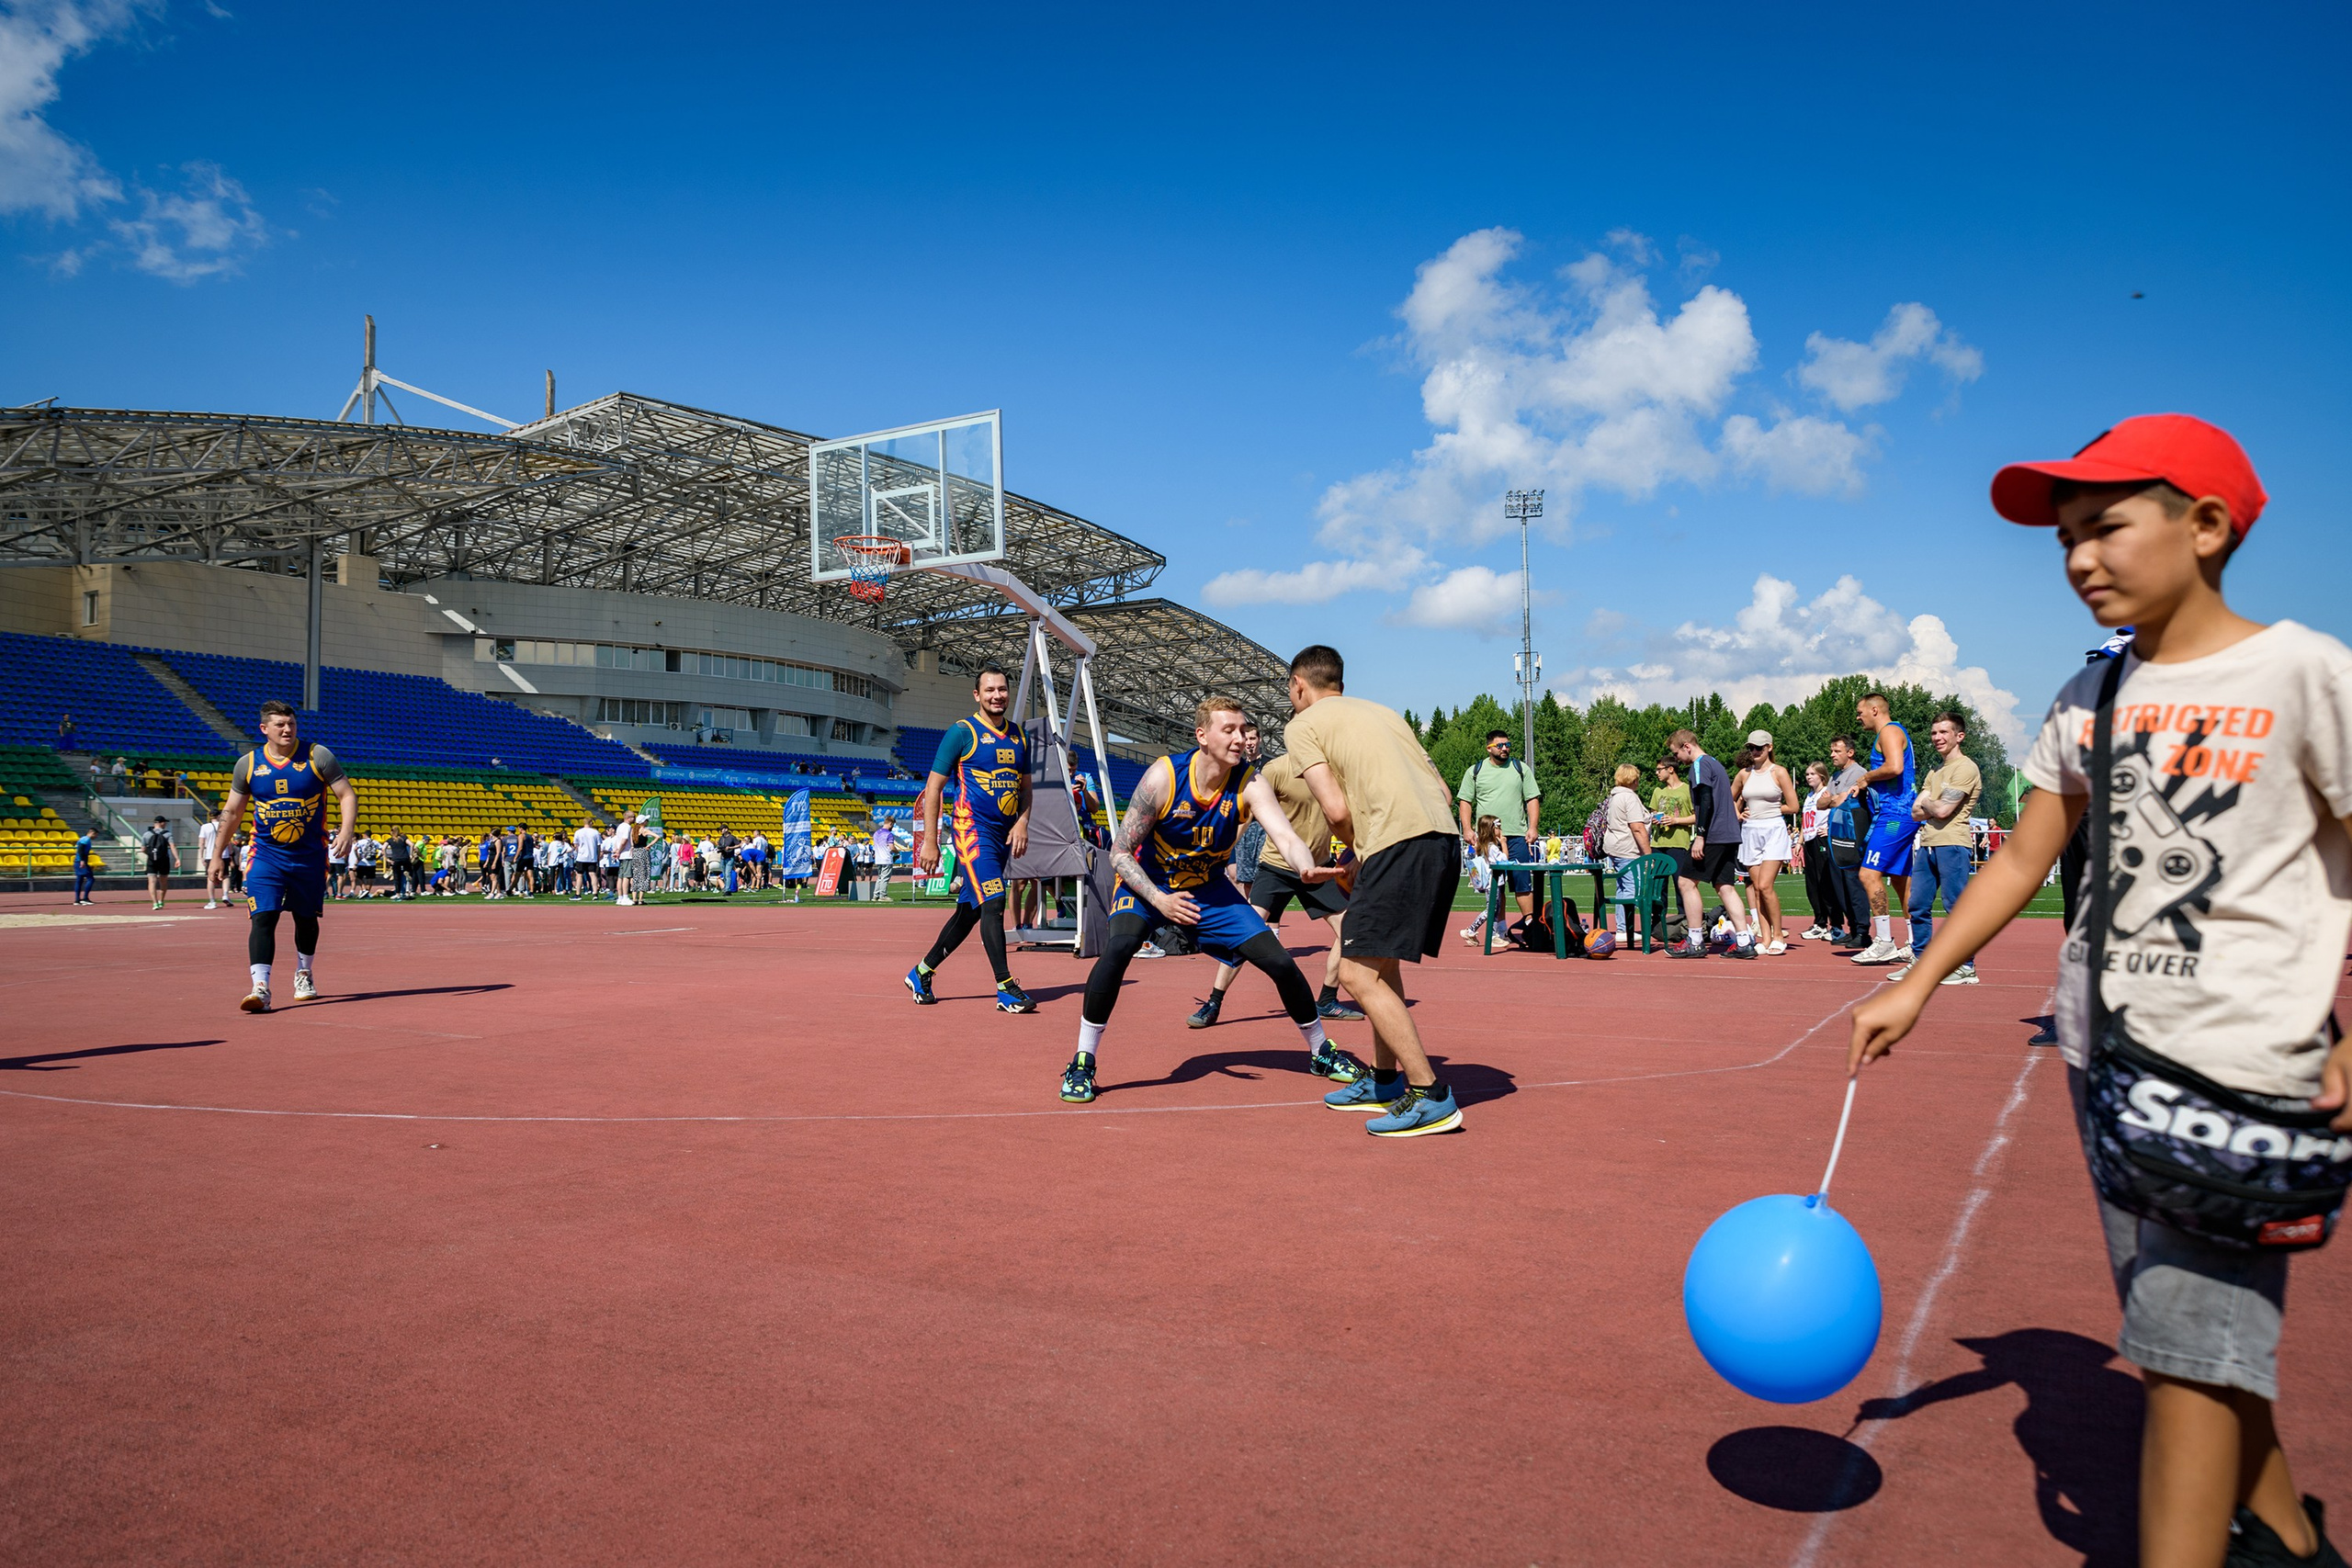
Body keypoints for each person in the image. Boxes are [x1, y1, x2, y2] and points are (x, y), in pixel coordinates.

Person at [1851, 414, 2351, 1568]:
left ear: (2208, 525)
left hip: (2245, 1071)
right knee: (2204, 1336)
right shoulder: (2089, 698)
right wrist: (1919, 981)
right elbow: (2024, 859)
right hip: (2105, 1055)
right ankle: (2281, 1534)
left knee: (2180, 1355)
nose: (2078, 557)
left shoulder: (2302, 676)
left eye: (2107, 528)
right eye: (2066, 536)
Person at [1058, 695, 1366, 1104]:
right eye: (1230, 730)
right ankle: (1082, 1061)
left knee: (1279, 962)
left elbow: (1285, 835)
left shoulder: (1249, 782)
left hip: (1208, 888)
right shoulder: (1164, 777)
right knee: (1118, 951)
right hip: (1148, 883)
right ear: (1202, 736)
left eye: (1243, 730)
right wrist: (1160, 900)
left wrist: (1304, 864)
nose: (1241, 739)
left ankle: (1320, 1052)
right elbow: (1119, 852)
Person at [1280, 645, 1466, 1136]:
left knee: (1354, 974)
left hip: (1398, 843)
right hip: (1441, 838)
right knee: (1380, 964)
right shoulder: (1385, 714)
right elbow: (1444, 793)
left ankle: (1430, 1095)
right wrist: (1363, 855)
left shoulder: (1302, 726)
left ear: (1300, 685)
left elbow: (1336, 810)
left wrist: (1355, 850)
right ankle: (1385, 1081)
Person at [1187, 737, 1369, 1028]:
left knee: (1352, 928)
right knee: (1243, 933)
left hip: (1318, 867)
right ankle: (1214, 1001)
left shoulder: (1335, 773)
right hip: (1277, 866)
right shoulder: (1276, 770)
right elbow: (1245, 813)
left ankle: (1327, 1000)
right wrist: (1222, 851)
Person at [906, 664, 1036, 1014]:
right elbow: (933, 788)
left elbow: (1026, 791)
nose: (998, 696)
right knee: (994, 902)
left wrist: (1022, 823)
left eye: (1002, 690)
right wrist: (930, 842)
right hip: (971, 831)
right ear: (977, 695)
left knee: (970, 911)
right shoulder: (961, 733)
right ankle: (1006, 987)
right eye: (990, 690)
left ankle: (921, 972)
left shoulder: (1020, 736)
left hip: (1002, 836)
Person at [211, 699, 356, 1010]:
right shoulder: (248, 764)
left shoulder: (318, 756)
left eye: (291, 723)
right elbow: (232, 811)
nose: (287, 729)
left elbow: (346, 794)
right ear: (264, 729)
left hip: (309, 855)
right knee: (263, 916)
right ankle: (260, 987)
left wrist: (345, 832)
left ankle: (304, 972)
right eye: (280, 725)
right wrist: (216, 855)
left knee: (305, 919)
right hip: (265, 855)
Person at [1895, 710, 1984, 986]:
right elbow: (1914, 811)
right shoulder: (1936, 771)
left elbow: (1943, 810)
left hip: (1953, 845)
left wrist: (1931, 804)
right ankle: (1920, 960)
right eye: (1934, 733)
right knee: (1917, 904)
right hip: (1928, 845)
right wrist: (1933, 805)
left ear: (1959, 736)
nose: (1937, 738)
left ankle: (1966, 966)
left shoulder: (1966, 768)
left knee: (1955, 906)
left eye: (1943, 732)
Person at [1845, 692, 1919, 965]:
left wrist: (1866, 777)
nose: (1858, 716)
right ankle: (1916, 942)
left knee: (1868, 875)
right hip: (1898, 813)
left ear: (1874, 710)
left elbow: (1895, 767)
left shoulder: (1888, 731)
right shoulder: (1892, 731)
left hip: (1896, 815)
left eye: (1860, 711)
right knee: (1901, 880)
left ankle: (1884, 940)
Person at [1667, 731, 1757, 959]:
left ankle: (1695, 940)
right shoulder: (1715, 763)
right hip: (1729, 834)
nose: (1676, 758)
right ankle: (1744, 941)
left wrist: (1701, 835)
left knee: (1686, 882)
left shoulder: (1699, 765)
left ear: (1687, 747)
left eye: (1676, 753)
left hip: (1714, 834)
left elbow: (1706, 800)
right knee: (1724, 886)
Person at [1455, 729, 1542, 929]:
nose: (1505, 749)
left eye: (1508, 745)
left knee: (1522, 883)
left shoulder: (1520, 768)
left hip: (1518, 835)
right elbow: (1465, 801)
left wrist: (1533, 827)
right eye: (1500, 745)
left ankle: (1532, 926)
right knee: (1496, 887)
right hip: (1488, 839)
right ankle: (1499, 930)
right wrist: (1467, 829)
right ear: (1489, 748)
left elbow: (1532, 798)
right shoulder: (1475, 771)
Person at [1733, 729, 1799, 953]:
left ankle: (1779, 935)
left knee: (1765, 886)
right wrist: (1738, 813)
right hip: (1750, 833)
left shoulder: (1779, 772)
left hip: (1773, 830)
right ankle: (1765, 937)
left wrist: (1771, 808)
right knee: (1757, 890)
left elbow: (1794, 806)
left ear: (1769, 747)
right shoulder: (1744, 774)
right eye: (1751, 748)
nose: (1754, 752)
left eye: (1759, 748)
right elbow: (1729, 798)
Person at [1820, 734, 1872, 946]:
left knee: (1854, 884)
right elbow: (1821, 803)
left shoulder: (1859, 773)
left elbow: (1841, 800)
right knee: (1840, 885)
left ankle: (1863, 931)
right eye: (1831, 751)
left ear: (1850, 752)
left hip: (1853, 836)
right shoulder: (1835, 776)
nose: (1832, 755)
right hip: (1838, 836)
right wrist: (1833, 799)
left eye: (1837, 751)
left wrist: (1833, 799)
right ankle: (1853, 927)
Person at [1600, 762, 1653, 943]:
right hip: (1627, 848)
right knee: (1631, 887)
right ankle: (1625, 929)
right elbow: (1637, 828)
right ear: (1633, 779)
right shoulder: (1629, 798)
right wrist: (1648, 854)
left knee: (1623, 887)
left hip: (1616, 847)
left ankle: (1622, 926)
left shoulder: (1614, 796)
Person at [1647, 757, 1695, 940]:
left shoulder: (1686, 790)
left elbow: (1696, 816)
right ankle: (1657, 925)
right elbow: (1653, 812)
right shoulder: (1658, 791)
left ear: (1671, 770)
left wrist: (1676, 820)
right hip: (1658, 845)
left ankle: (1685, 923)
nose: (1657, 773)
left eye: (1659, 769)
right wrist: (1654, 818)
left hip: (1679, 845)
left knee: (1682, 885)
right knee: (1658, 888)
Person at [1797, 761, 1841, 941]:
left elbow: (1838, 811)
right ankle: (1820, 922)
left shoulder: (1827, 794)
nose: (1808, 777)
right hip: (1809, 840)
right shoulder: (1809, 797)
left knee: (1826, 883)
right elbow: (1805, 820)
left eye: (1812, 774)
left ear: (1821, 776)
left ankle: (1835, 924)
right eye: (1807, 774)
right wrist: (1799, 842)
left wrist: (1830, 830)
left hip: (1821, 839)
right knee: (1812, 884)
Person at [1456, 816, 1510, 947]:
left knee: (1495, 909)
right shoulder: (1491, 847)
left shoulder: (1486, 846)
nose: (1501, 830)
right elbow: (1504, 861)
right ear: (1492, 829)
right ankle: (1474, 931)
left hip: (1492, 883)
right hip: (1492, 883)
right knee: (1491, 909)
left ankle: (1489, 934)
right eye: (1498, 828)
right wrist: (1503, 843)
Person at [141, 814, 177, 909]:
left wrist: (151, 855)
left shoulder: (147, 834)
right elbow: (172, 846)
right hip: (164, 860)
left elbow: (143, 849)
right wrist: (177, 859)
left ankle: (154, 902)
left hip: (152, 860)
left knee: (152, 881)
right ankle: (161, 901)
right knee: (163, 881)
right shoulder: (167, 834)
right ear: (162, 823)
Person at [198, 808, 221, 909]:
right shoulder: (222, 825)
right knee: (225, 876)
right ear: (219, 816)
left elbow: (202, 843)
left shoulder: (205, 827)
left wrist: (201, 856)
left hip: (210, 855)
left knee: (210, 878)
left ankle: (212, 901)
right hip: (222, 854)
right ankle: (225, 895)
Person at [571, 818, 600, 900]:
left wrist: (579, 851)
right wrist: (597, 855)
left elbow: (576, 845)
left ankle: (578, 894)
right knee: (592, 874)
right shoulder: (595, 832)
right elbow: (599, 845)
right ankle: (595, 893)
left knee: (579, 875)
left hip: (581, 856)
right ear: (590, 823)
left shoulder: (578, 832)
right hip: (592, 857)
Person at [72, 827, 97, 906]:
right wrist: (82, 861)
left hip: (77, 861)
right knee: (91, 879)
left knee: (79, 880)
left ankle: (77, 900)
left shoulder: (82, 838)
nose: (95, 837)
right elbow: (80, 849)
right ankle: (85, 898)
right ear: (92, 833)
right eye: (95, 835)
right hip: (81, 861)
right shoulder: (86, 839)